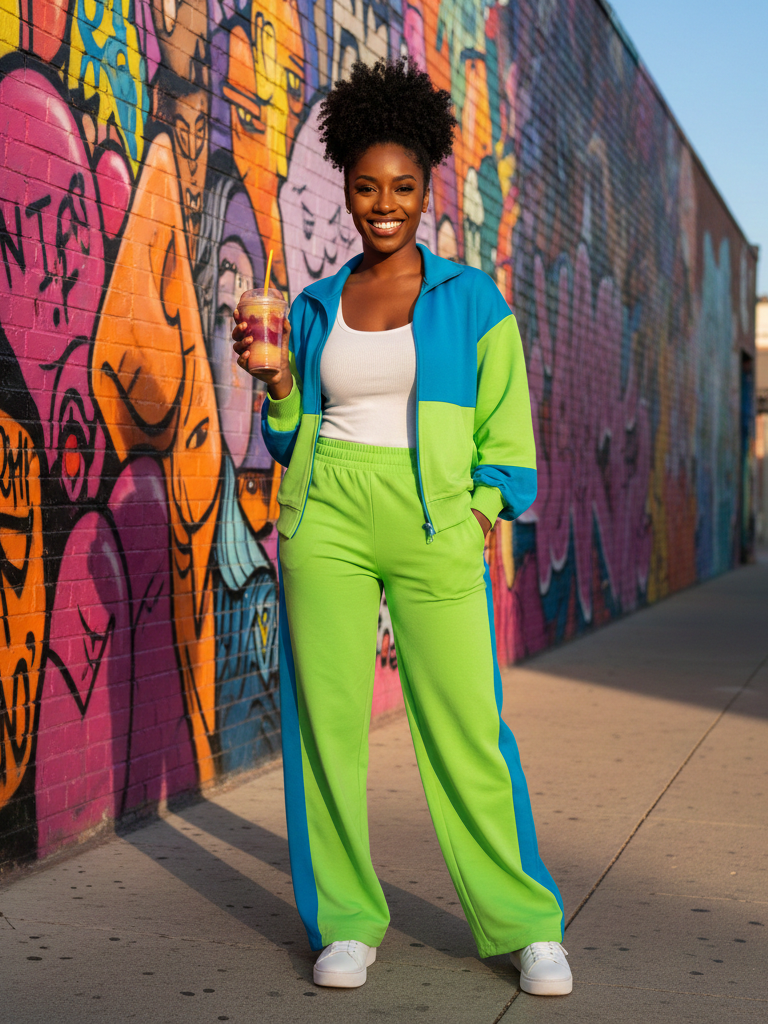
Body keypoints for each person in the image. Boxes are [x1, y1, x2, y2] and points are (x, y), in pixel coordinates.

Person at [231, 57, 572, 997]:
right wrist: (280, 386)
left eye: (404, 187)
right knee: (328, 727)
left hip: (434, 521)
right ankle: (345, 920)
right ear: (344, 186)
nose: (385, 204)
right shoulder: (312, 304)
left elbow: (508, 428)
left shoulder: (472, 300)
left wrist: (482, 509)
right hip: (326, 513)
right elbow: (289, 431)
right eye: (367, 187)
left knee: (467, 726)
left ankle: (526, 921)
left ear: (428, 189)